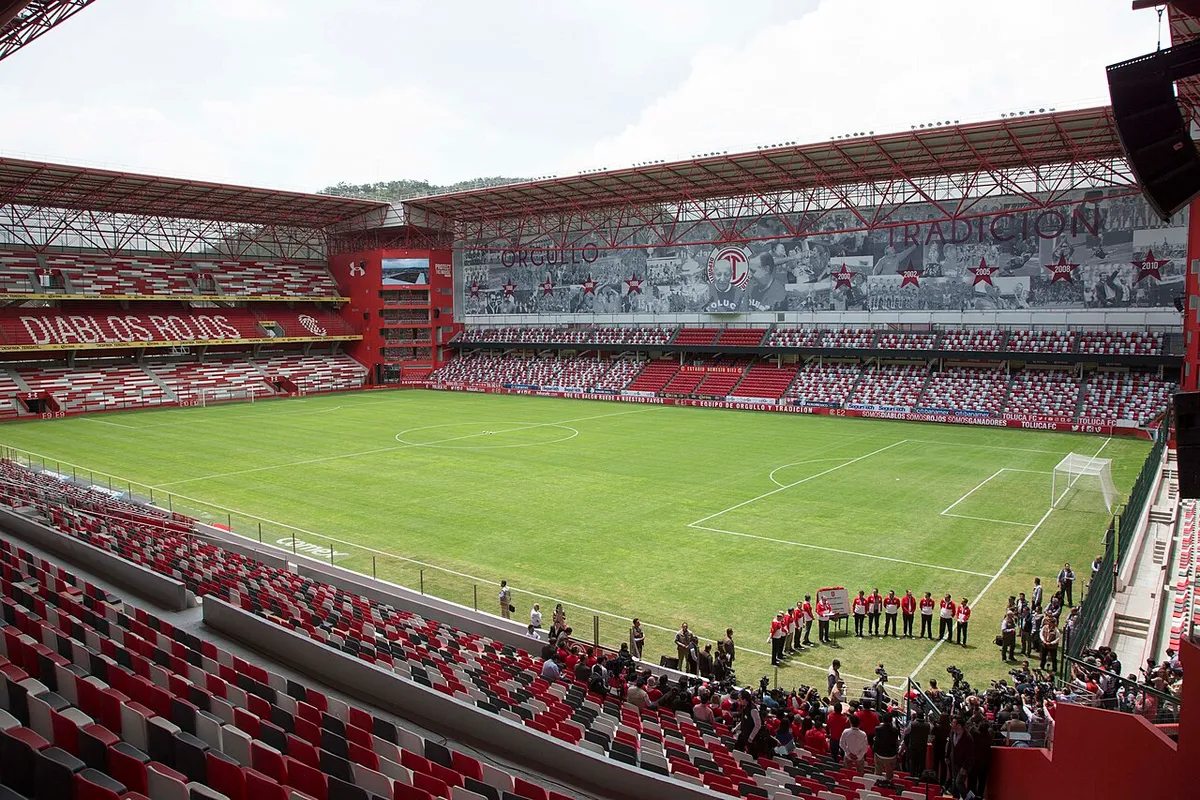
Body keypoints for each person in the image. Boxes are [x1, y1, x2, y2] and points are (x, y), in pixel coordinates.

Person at [948, 716, 974, 798]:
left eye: (953, 723)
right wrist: (947, 756)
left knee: (959, 782)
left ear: (959, 725)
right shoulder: (952, 733)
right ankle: (955, 797)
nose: (952, 724)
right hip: (954, 762)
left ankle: (970, 797)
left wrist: (964, 767)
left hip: (964, 764)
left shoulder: (968, 737)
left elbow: (969, 754)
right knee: (954, 781)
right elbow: (950, 745)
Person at [873, 713, 900, 783]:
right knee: (890, 775)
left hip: (879, 754)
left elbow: (877, 742)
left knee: (878, 773)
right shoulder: (895, 730)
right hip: (891, 755)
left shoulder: (878, 729)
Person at [902, 711, 931, 776]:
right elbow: (929, 734)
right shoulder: (927, 725)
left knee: (912, 762)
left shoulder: (912, 724)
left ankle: (912, 775)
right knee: (921, 763)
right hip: (923, 746)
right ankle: (921, 776)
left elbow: (906, 731)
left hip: (913, 745)